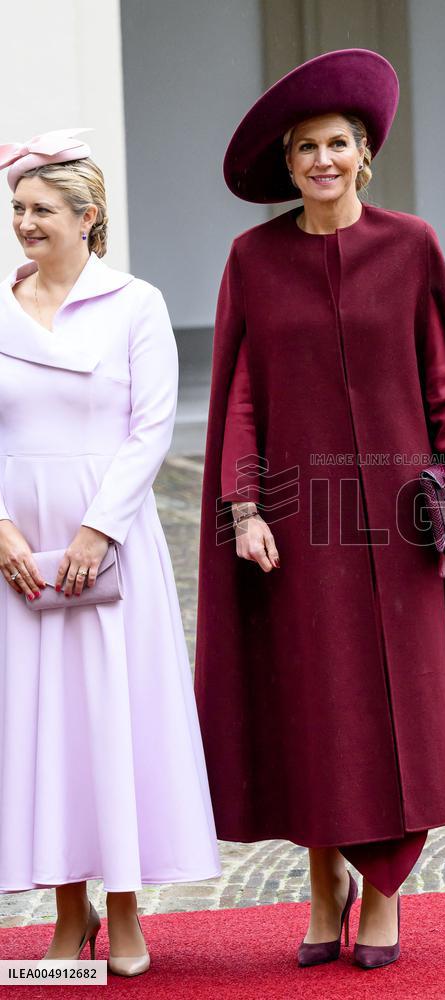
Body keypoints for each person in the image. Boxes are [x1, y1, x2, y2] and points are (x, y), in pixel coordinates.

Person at [195, 49, 445, 970]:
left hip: (402, 519)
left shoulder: (411, 245)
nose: (322, 160)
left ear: (364, 153)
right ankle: (321, 882)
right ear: (287, 163)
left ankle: (381, 895)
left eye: (337, 143)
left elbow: (444, 381)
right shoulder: (253, 260)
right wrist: (244, 507)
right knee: (319, 707)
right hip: (301, 524)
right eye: (306, 148)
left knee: (402, 710)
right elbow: (243, 399)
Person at [0, 130, 221, 976]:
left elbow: (152, 426)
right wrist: (2, 527)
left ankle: (125, 912)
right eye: (17, 208)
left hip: (111, 539)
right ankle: (65, 915)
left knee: (113, 722)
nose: (23, 223)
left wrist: (99, 530)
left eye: (41, 209)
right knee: (41, 727)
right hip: (18, 545)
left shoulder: (136, 303)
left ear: (88, 218)